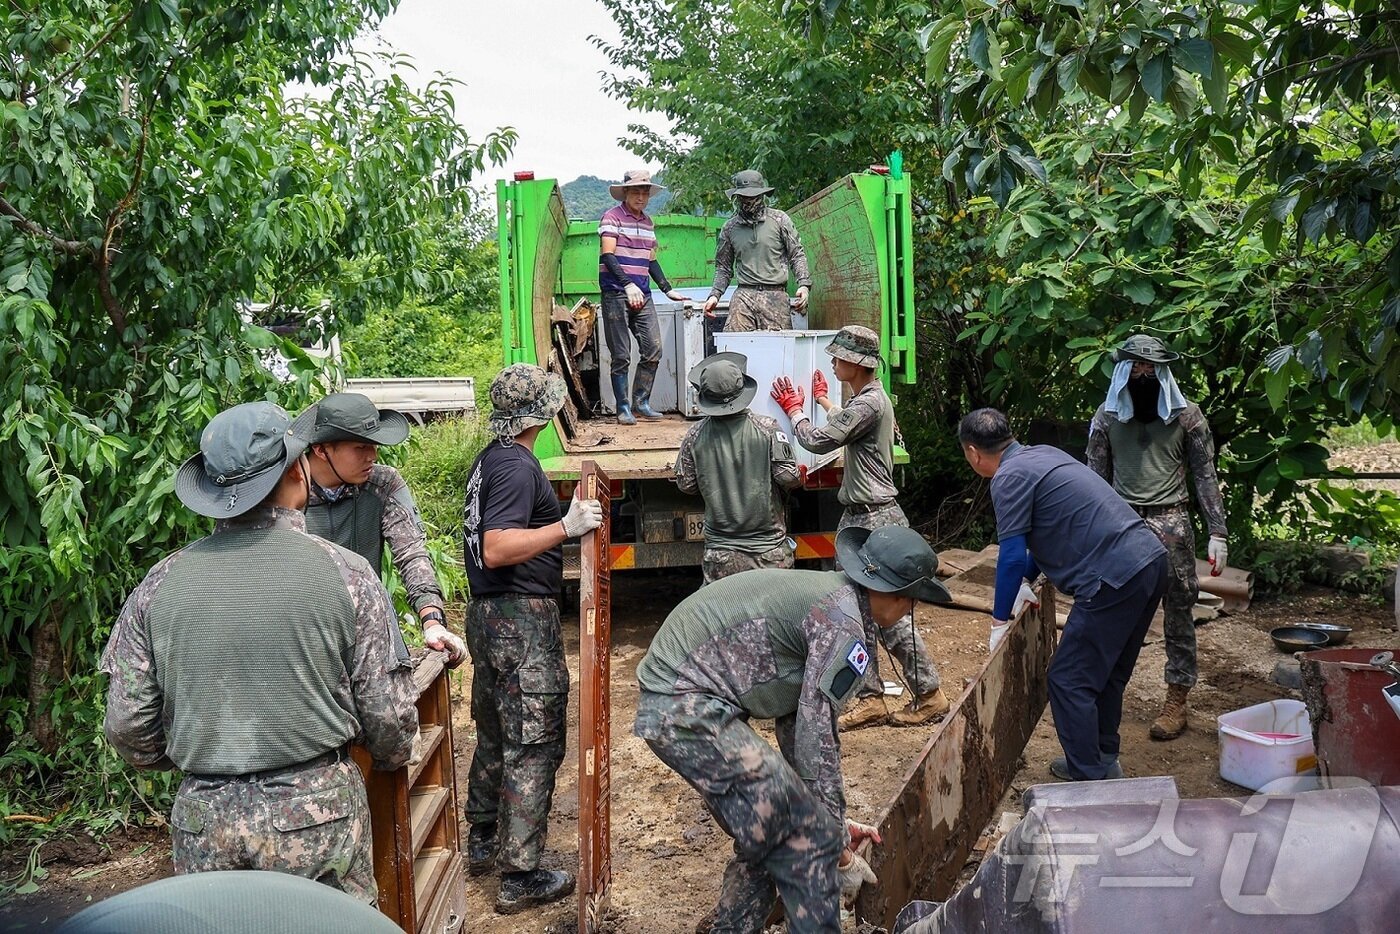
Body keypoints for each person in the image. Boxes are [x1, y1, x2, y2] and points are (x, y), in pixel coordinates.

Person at [101, 402, 418, 904]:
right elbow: (388, 716)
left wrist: (207, 766)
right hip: (317, 815)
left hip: (204, 824)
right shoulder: (350, 575)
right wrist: (387, 755)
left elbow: (126, 727)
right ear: (298, 469)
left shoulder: (158, 585)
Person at [634, 526, 952, 934]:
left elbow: (795, 720)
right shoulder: (844, 625)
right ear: (897, 593)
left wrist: (830, 815)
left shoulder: (835, 597)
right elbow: (816, 738)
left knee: (772, 827)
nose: (910, 611)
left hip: (680, 700)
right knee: (806, 841)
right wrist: (835, 842)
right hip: (685, 705)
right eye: (913, 600)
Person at [461, 363, 604, 913]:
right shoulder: (517, 467)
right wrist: (566, 528)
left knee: (497, 729)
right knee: (535, 739)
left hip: (488, 614)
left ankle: (481, 838)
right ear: (541, 411)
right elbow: (497, 547)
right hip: (519, 619)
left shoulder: (489, 461)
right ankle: (520, 874)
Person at [959, 408, 1168, 782]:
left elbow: (1008, 556)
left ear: (973, 452)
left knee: (1068, 680)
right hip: (1149, 561)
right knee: (1107, 673)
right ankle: (1103, 759)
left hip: (1112, 578)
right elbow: (1050, 532)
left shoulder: (1007, 478)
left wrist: (998, 620)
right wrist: (1026, 580)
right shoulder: (1045, 455)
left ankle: (1089, 780)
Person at [770, 326, 947, 730]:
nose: (832, 363)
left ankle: (929, 693)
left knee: (887, 613)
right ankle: (870, 696)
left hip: (874, 518)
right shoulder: (867, 400)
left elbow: (817, 441)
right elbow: (848, 424)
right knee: (856, 610)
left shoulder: (867, 405)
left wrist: (794, 409)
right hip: (865, 515)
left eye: (837, 358)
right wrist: (823, 400)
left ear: (855, 364)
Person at [1086, 334, 1229, 741]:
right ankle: (1104, 692)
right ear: (1122, 370)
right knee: (1111, 607)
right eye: (1135, 366)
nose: (1143, 374)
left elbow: (1205, 475)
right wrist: (1088, 533)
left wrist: (1217, 530)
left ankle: (1176, 700)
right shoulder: (1108, 417)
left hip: (1172, 522)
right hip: (1121, 522)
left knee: (1179, 609)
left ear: (1163, 371)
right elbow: (1093, 478)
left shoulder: (1187, 417)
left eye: (1150, 367)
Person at [300, 392, 465, 664]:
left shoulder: (382, 484)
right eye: (360, 447)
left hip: (368, 627)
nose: (372, 455)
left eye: (374, 445)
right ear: (322, 449)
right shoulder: (288, 488)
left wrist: (432, 618)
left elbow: (411, 552)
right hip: (306, 634)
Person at [675, 351, 803, 583]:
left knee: (725, 617)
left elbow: (686, 485)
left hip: (720, 555)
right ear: (742, 390)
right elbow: (788, 477)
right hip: (769, 553)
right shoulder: (768, 429)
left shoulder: (694, 436)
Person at [599, 168, 688, 425]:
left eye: (644, 192)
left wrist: (667, 289)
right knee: (621, 355)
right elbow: (608, 255)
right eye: (635, 191)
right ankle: (623, 408)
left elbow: (651, 261)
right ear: (625, 193)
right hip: (616, 293)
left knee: (653, 349)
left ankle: (641, 401)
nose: (640, 197)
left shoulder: (648, 223)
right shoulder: (611, 217)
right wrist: (627, 284)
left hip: (644, 294)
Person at [702, 170, 811, 332]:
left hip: (775, 295)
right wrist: (714, 295)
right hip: (744, 295)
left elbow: (796, 254)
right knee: (734, 348)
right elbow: (723, 268)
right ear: (737, 197)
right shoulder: (730, 228)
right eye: (744, 197)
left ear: (762, 196)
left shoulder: (779, 220)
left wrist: (804, 285)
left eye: (752, 197)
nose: (748, 201)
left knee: (779, 351)